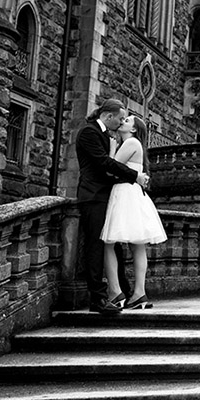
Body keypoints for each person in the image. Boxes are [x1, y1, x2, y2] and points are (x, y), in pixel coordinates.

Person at [75, 99, 149, 314]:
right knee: (97, 246)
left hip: (106, 195)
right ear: (108, 116)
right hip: (94, 196)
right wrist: (135, 175)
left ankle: (120, 292)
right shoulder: (89, 132)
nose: (120, 122)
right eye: (119, 118)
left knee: (113, 246)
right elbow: (104, 163)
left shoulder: (111, 137)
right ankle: (98, 299)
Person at [100, 115, 167, 309]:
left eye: (127, 120)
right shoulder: (134, 143)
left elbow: (110, 169)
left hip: (125, 193)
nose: (123, 121)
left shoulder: (130, 143)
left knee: (108, 243)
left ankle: (117, 292)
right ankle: (139, 293)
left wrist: (112, 150)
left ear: (134, 129)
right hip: (133, 194)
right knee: (137, 246)